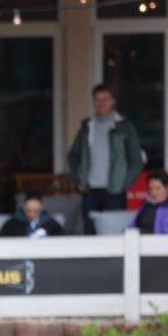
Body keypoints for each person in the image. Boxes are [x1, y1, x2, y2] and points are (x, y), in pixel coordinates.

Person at [67, 84, 145, 234]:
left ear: (113, 101)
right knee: (90, 233)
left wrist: (124, 184)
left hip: (115, 192)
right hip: (90, 191)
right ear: (93, 102)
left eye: (106, 99)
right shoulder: (87, 126)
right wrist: (79, 180)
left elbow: (137, 160)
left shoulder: (124, 126)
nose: (101, 103)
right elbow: (73, 156)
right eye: (98, 99)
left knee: (115, 234)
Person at [0, 193, 65, 238]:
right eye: (29, 210)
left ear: (42, 207)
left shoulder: (51, 223)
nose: (32, 214)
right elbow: (0, 242)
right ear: (24, 207)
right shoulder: (12, 223)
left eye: (36, 211)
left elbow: (62, 242)